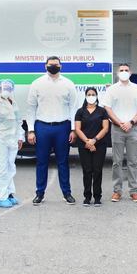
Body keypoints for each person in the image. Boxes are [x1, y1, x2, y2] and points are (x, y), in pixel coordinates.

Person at [27, 56, 78, 205]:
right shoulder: (37, 83)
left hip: (63, 127)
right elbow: (31, 108)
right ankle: (40, 193)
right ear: (45, 66)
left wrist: (73, 129)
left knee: (63, 162)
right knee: (41, 162)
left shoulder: (68, 84)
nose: (53, 67)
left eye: (56, 65)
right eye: (50, 65)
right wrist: (31, 130)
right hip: (42, 127)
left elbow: (73, 107)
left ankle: (67, 193)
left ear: (61, 66)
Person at [101, 63, 137, 203]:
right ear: (117, 73)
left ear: (130, 72)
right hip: (117, 129)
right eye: (121, 70)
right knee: (117, 162)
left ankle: (133, 191)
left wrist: (131, 122)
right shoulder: (112, 90)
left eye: (126, 70)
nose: (123, 72)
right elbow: (108, 108)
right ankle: (117, 191)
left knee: (132, 162)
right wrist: (119, 122)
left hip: (133, 129)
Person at [0, 79, 24, 208]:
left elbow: (18, 122)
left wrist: (20, 137)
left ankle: (9, 194)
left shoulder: (14, 103)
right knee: (1, 170)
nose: (6, 90)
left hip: (12, 141)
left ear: (12, 89)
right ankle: (0, 197)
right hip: (0, 141)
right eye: (4, 88)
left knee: (10, 168)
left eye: (8, 88)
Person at [74, 87, 110, 206]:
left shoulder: (102, 111)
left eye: (93, 94)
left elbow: (105, 128)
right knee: (87, 170)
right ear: (85, 96)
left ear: (97, 96)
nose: (91, 96)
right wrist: (87, 142)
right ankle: (87, 197)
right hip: (84, 145)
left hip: (99, 144)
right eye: (88, 94)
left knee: (97, 170)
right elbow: (77, 129)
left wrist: (94, 140)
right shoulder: (80, 111)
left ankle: (97, 197)